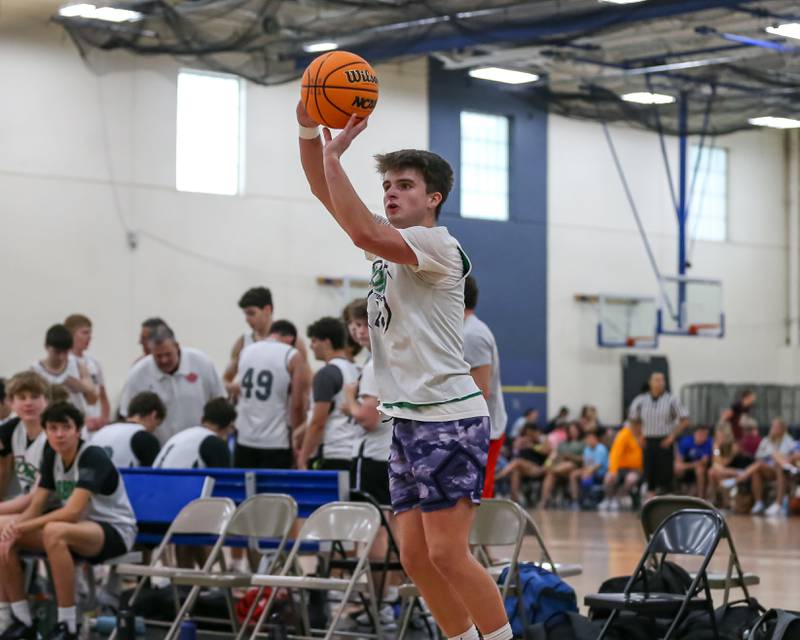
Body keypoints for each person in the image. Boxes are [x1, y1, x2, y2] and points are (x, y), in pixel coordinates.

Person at [297, 103, 510, 640]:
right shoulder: (389, 250)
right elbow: (326, 194)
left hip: (449, 417)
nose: (391, 192)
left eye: (405, 185)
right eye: (387, 184)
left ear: (433, 197)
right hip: (409, 420)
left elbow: (361, 233)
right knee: (414, 558)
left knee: (448, 553)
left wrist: (336, 155)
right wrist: (309, 131)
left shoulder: (438, 245)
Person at [0, 402, 137, 640]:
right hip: (75, 529)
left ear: (78, 430)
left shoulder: (92, 456)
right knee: (2, 528)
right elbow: (35, 507)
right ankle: (21, 619)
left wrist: (21, 527)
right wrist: (12, 528)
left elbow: (72, 512)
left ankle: (68, 625)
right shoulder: (52, 455)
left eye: (66, 427)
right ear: (46, 431)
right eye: (53, 428)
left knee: (54, 530)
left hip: (114, 530)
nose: (60, 434)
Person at [119, 325, 225, 444]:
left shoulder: (202, 363)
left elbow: (220, 402)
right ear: (150, 351)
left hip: (200, 445)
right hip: (157, 448)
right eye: (158, 356)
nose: (164, 360)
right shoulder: (138, 373)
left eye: (168, 354)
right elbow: (127, 415)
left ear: (177, 346)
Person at [232, 323, 310, 469]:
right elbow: (297, 405)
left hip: (244, 437)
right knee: (274, 492)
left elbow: (235, 388)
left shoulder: (246, 351)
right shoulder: (291, 354)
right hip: (275, 440)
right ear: (289, 338)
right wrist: (297, 439)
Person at [462, 276, 507, 499]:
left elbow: (480, 389)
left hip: (482, 431)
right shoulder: (463, 331)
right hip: (470, 430)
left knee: (475, 498)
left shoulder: (472, 334)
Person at [296, 317, 359, 471]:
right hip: (354, 450)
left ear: (327, 342)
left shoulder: (326, 374)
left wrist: (303, 457)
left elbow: (318, 421)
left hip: (333, 453)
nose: (311, 346)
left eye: (314, 341)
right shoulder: (356, 370)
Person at [628, 372, 689, 497]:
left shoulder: (672, 399)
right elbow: (632, 420)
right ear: (650, 382)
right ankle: (650, 506)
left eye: (662, 380)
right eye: (656, 380)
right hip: (648, 440)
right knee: (649, 476)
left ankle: (665, 505)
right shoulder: (640, 400)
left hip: (665, 440)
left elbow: (685, 419)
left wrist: (672, 436)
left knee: (665, 476)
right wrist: (637, 437)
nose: (659, 382)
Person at [721, 417, 796, 516]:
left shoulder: (788, 441)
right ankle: (758, 503)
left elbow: (791, 456)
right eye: (772, 426)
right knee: (757, 470)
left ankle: (736, 480)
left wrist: (775, 457)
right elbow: (758, 457)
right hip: (767, 468)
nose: (772, 429)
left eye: (775, 427)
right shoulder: (766, 440)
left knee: (773, 462)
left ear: (782, 429)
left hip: (781, 470)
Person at [31, 325, 97, 414]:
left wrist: (81, 387)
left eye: (65, 352)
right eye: (57, 352)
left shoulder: (78, 365)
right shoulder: (35, 371)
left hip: (76, 420)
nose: (61, 357)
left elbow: (93, 400)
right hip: (49, 420)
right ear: (46, 347)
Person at [153, 398, 235, 469]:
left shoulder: (182, 435)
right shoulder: (215, 443)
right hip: (177, 485)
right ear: (228, 425)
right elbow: (225, 481)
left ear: (203, 418)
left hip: (155, 483)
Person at [88, 392, 165, 467]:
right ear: (153, 415)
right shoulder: (146, 439)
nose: (154, 430)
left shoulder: (101, 432)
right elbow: (153, 476)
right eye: (157, 424)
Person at [223, 287, 274, 399]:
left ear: (267, 310)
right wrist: (231, 387)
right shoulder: (243, 341)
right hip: (247, 410)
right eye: (245, 314)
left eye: (251, 313)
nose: (247, 319)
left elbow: (305, 381)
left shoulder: (289, 341)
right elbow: (225, 379)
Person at [64, 315, 110, 432]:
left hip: (96, 424)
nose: (89, 337)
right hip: (75, 423)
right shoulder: (64, 363)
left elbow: (103, 396)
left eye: (90, 333)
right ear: (70, 334)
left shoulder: (93, 363)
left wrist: (104, 419)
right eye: (84, 333)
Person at [493, 423, 548, 505]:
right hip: (524, 468)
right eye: (527, 432)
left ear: (535, 432)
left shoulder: (541, 440)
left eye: (531, 432)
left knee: (517, 461)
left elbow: (546, 451)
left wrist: (532, 446)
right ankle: (515, 499)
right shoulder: (523, 440)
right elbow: (514, 451)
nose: (529, 434)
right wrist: (520, 444)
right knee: (515, 471)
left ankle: (497, 477)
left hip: (537, 468)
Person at [599, 418, 643, 511]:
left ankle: (618, 497)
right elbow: (615, 452)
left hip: (636, 469)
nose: (637, 427)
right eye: (634, 424)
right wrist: (613, 470)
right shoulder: (624, 434)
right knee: (608, 478)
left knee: (631, 479)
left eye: (639, 424)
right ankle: (608, 498)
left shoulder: (645, 435)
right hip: (621, 468)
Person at [540, 422, 585, 508]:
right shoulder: (562, 443)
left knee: (569, 464)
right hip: (560, 467)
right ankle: (544, 501)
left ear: (579, 430)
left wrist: (571, 457)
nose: (572, 432)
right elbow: (554, 455)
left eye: (574, 430)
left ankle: (549, 470)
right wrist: (549, 462)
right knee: (550, 475)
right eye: (571, 430)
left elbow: (585, 458)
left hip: (575, 466)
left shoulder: (583, 443)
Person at [568, 429, 608, 508]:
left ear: (595, 439)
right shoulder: (587, 449)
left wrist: (587, 472)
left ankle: (588, 500)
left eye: (590, 438)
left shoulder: (601, 448)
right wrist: (584, 470)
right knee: (573, 475)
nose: (588, 440)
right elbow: (586, 464)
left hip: (600, 473)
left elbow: (597, 465)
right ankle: (575, 500)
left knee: (586, 476)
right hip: (589, 470)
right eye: (587, 438)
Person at [674, 425, 713, 498]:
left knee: (699, 470)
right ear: (695, 434)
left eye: (705, 435)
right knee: (677, 468)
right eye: (700, 434)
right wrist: (692, 465)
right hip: (689, 465)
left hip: (704, 468)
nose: (703, 437)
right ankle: (678, 491)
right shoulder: (686, 441)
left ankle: (701, 496)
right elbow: (678, 461)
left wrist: (693, 465)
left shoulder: (709, 442)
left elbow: (704, 462)